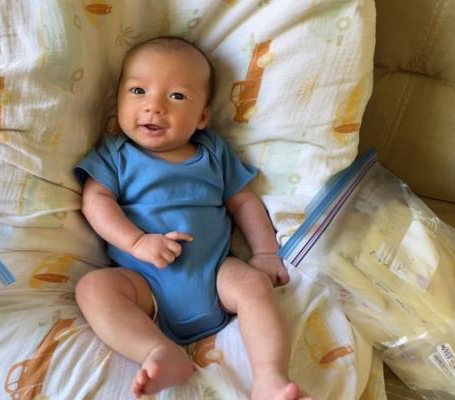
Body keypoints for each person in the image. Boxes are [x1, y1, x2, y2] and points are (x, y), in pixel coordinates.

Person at [74, 36, 310, 400]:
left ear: (202, 116)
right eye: (138, 90)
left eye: (177, 97)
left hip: (216, 274)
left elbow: (244, 203)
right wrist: (136, 242)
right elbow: (95, 201)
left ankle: (270, 378)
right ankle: (157, 351)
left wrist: (264, 252)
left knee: (254, 287)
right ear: (118, 100)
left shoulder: (213, 152)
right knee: (93, 289)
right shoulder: (115, 155)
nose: (153, 107)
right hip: (144, 285)